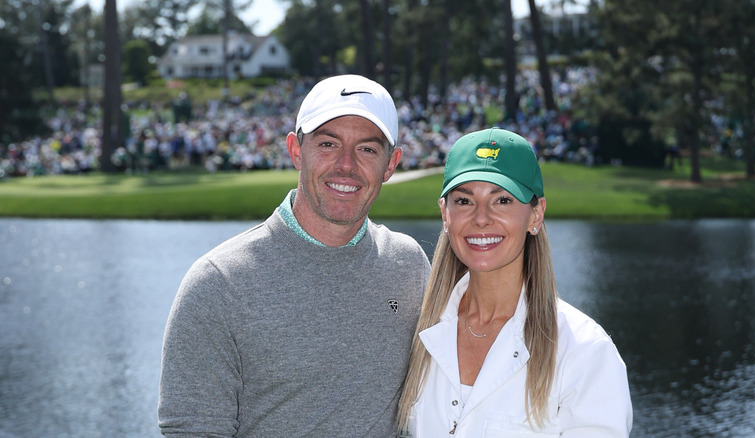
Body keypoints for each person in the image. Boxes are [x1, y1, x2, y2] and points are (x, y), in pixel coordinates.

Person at [158, 74, 432, 437]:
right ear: (296, 151)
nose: (346, 165)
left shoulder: (408, 264)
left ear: (391, 164)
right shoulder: (218, 282)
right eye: (328, 143)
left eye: (367, 149)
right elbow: (191, 429)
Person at [397, 128, 632, 437]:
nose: (481, 218)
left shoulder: (584, 351)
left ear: (536, 214)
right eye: (464, 200)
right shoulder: (415, 331)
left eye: (503, 200)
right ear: (445, 213)